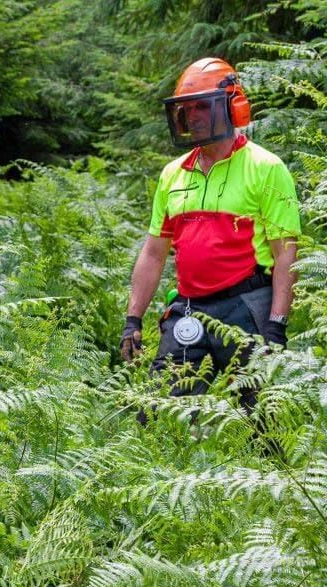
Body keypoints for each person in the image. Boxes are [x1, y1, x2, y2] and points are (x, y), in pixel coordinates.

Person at [120, 57, 301, 409]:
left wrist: (276, 325)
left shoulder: (265, 168)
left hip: (247, 304)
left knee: (260, 416)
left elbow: (286, 254)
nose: (193, 116)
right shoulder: (173, 174)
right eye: (187, 109)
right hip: (189, 305)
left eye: (203, 106)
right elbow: (153, 253)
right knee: (161, 414)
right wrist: (133, 318)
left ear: (232, 107)